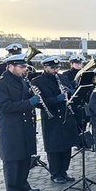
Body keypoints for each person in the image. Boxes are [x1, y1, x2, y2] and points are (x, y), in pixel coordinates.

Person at [0, 54, 40, 191]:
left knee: (25, 156)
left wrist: (32, 95)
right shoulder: (0, 84)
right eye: (21, 67)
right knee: (12, 159)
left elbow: (25, 97)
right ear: (10, 66)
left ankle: (23, 183)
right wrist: (29, 102)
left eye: (24, 67)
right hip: (11, 126)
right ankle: (13, 190)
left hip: (25, 124)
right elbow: (5, 106)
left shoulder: (23, 80)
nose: (24, 69)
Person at [32, 56, 79, 184]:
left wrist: (69, 91)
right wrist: (57, 99)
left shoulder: (62, 77)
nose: (55, 70)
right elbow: (39, 103)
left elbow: (71, 90)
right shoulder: (37, 81)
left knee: (67, 145)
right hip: (51, 118)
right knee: (54, 147)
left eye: (57, 67)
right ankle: (55, 173)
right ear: (45, 67)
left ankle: (64, 171)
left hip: (65, 115)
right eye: (52, 68)